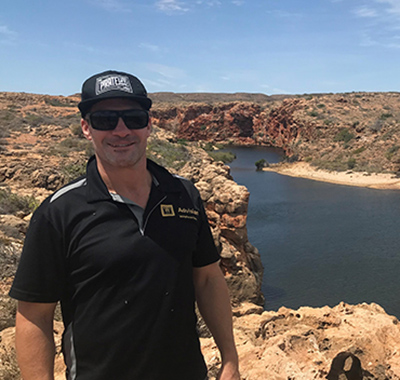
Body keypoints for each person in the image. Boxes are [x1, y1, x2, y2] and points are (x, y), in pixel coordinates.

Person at [9, 70, 240, 380]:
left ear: (148, 125)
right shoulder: (59, 212)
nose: (121, 131)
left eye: (132, 118)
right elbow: (34, 316)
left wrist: (230, 361)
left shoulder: (184, 194)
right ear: (86, 127)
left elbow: (208, 279)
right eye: (105, 120)